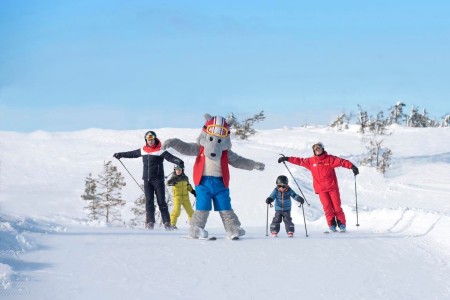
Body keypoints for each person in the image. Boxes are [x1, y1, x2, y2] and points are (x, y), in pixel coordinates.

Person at [278, 142, 359, 232]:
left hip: (332, 187)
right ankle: (332, 225)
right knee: (327, 207)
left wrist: (352, 167)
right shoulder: (311, 161)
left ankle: (342, 224)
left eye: (319, 148)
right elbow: (299, 161)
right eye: (316, 149)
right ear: (314, 151)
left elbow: (342, 162)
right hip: (321, 189)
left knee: (337, 207)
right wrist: (286, 158)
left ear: (322, 149)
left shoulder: (330, 159)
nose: (318, 150)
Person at [113, 130, 184, 230]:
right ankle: (150, 223)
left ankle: (167, 223)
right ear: (146, 140)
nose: (150, 141)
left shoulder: (160, 150)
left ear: (155, 139)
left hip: (158, 180)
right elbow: (132, 154)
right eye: (148, 139)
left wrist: (179, 161)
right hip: (147, 180)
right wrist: (120, 154)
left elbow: (170, 158)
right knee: (149, 202)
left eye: (152, 139)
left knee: (161, 202)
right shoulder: (143, 150)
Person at [167, 165, 196, 229]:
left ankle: (193, 225)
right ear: (175, 170)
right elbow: (168, 183)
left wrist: (193, 191)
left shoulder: (185, 178)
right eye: (177, 170)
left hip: (186, 197)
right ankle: (172, 224)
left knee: (190, 211)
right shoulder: (174, 178)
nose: (178, 171)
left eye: (180, 170)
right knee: (177, 211)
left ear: (182, 170)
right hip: (177, 197)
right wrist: (171, 183)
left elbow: (188, 186)